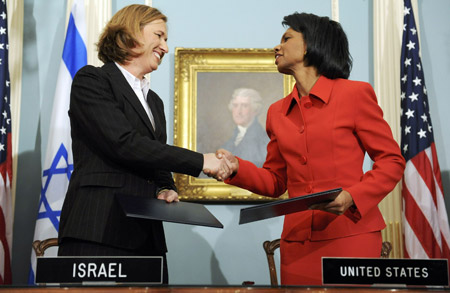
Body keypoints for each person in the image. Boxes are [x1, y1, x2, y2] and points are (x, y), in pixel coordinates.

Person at [215, 12, 406, 285]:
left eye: (286, 38)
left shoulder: (354, 94)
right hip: (297, 243)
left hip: (351, 237)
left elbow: (391, 161)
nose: (276, 47)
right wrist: (237, 169)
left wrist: (352, 195)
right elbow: (275, 181)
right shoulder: (276, 112)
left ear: (309, 45)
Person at [57, 4, 229, 284]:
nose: (165, 45)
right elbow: (123, 143)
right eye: (159, 36)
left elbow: (153, 157)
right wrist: (201, 161)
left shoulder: (155, 102)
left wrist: (166, 186)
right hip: (97, 227)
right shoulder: (93, 80)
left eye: (166, 38)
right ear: (131, 33)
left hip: (146, 235)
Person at [220, 88, 269, 168]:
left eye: (244, 106)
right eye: (235, 105)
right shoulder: (232, 140)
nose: (238, 111)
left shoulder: (264, 142)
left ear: (255, 110)